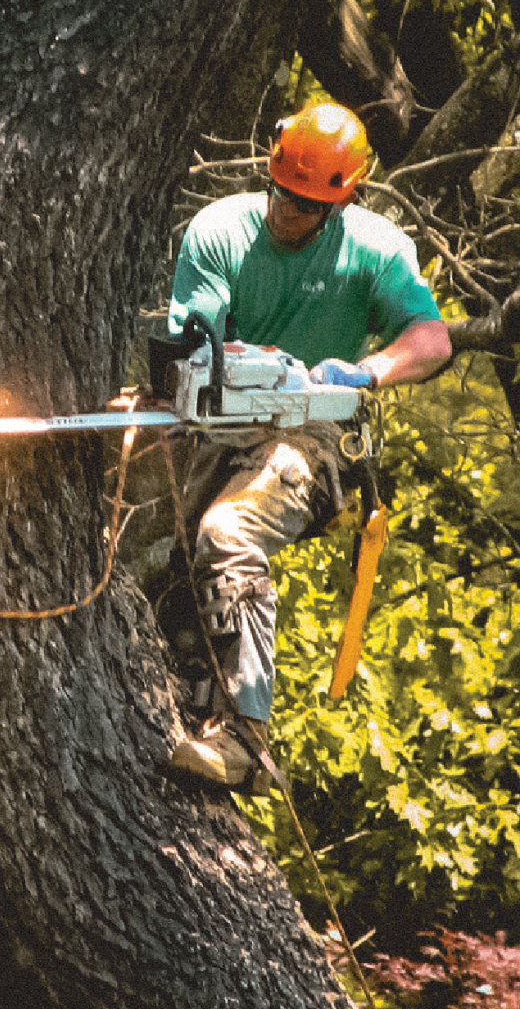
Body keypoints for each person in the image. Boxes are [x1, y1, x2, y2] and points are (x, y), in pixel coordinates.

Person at [162, 101, 451, 793]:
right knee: (171, 578)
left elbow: (433, 338)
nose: (289, 212)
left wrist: (369, 370)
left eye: (306, 205)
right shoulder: (220, 231)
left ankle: (247, 738)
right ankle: (192, 708)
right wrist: (235, 355)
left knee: (229, 532)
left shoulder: (375, 249)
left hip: (314, 438)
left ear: (340, 200)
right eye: (284, 196)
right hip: (220, 423)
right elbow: (191, 340)